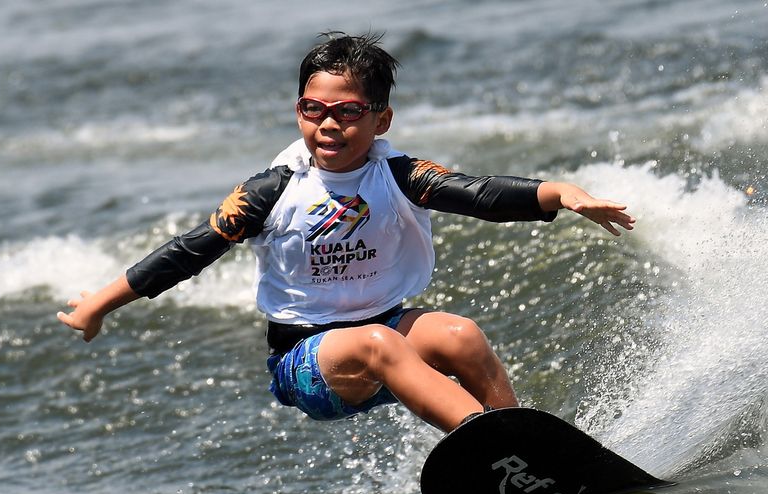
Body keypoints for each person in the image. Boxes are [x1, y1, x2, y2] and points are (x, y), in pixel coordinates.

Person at [58, 32, 635, 433]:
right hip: (307, 363)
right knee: (375, 344)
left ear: (381, 119)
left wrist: (561, 193)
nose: (328, 124)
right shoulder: (272, 190)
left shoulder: (398, 174)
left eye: (348, 112)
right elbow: (190, 251)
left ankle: (523, 443)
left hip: (390, 341)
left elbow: (477, 193)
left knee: (459, 335)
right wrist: (99, 305)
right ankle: (492, 443)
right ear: (298, 111)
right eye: (313, 110)